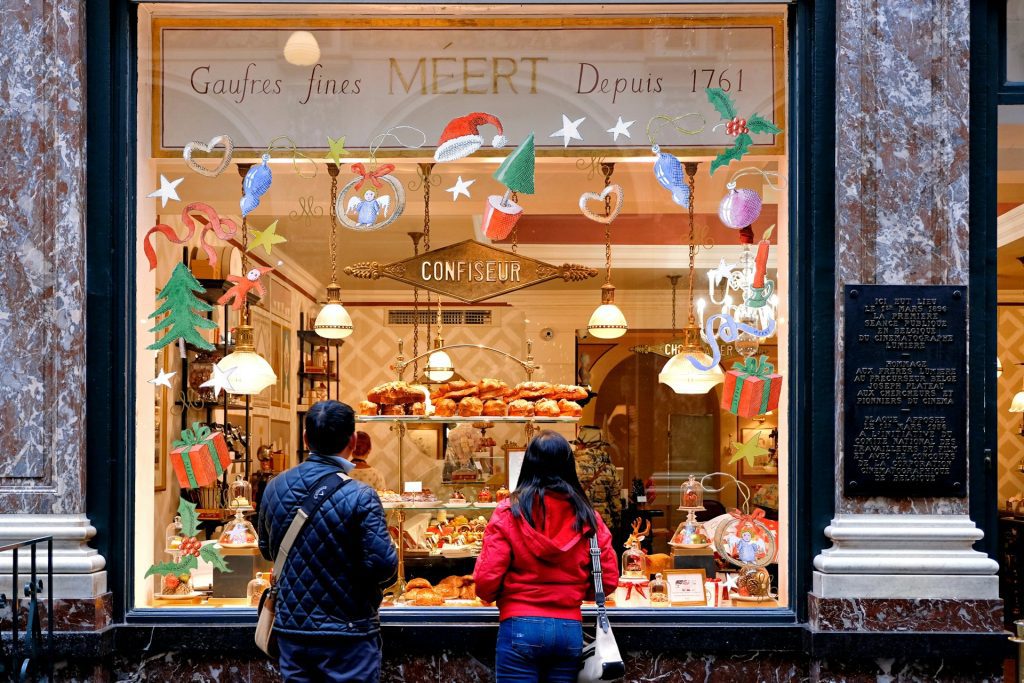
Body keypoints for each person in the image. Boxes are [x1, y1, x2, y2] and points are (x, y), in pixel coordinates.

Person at [258, 401, 398, 683]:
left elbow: (266, 549)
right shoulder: (362, 495)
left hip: (293, 631)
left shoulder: (275, 486)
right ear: (353, 440)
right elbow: (385, 567)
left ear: (306, 438)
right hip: (348, 633)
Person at [474, 431, 619, 683]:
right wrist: (576, 592)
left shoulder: (508, 512)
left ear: (528, 464)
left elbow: (486, 582)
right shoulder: (588, 516)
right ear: (569, 465)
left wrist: (499, 595)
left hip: (518, 626)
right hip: (569, 630)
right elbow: (607, 581)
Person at [572, 426, 623, 536]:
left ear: (581, 444)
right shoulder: (609, 468)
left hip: (577, 522)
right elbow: (615, 503)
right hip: (602, 524)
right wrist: (617, 524)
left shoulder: (569, 465)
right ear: (600, 444)